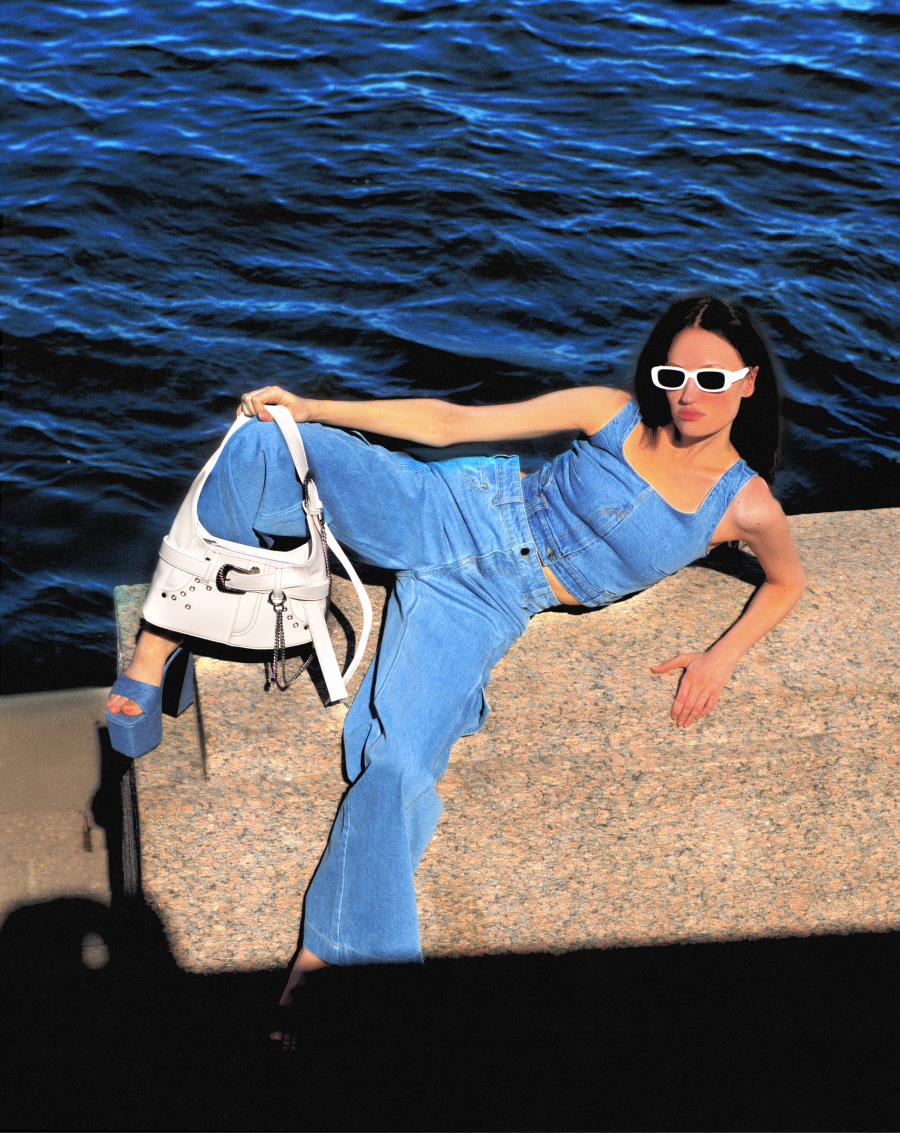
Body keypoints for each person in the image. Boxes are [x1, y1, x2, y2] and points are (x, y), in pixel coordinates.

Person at [106, 296, 806, 1045]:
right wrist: (310, 406)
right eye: (674, 374)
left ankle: (328, 960)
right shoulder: (613, 414)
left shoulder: (746, 505)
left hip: (487, 600)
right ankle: (156, 647)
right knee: (267, 443)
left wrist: (720, 656)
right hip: (453, 507)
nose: (689, 393)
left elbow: (785, 582)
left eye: (712, 377)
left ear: (748, 382)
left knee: (396, 763)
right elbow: (450, 423)